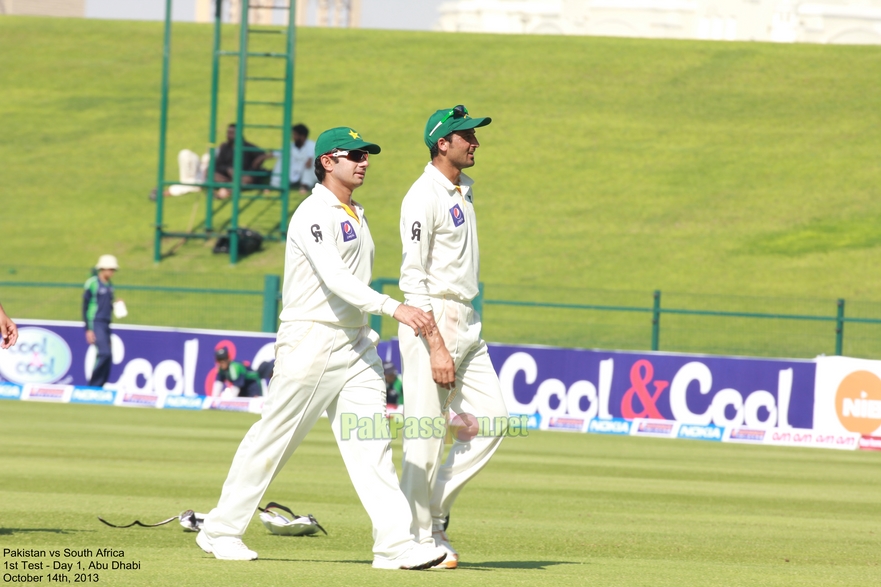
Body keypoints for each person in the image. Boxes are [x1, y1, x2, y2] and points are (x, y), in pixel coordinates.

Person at [195, 127, 447, 571]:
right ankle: (220, 530)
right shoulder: (313, 212)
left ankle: (395, 547)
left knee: (372, 446)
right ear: (327, 161)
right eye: (354, 155)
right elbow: (335, 278)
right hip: (312, 339)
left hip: (354, 344)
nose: (364, 161)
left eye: (367, 155)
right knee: (274, 438)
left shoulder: (353, 210)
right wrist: (395, 307)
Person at [397, 105, 510, 569]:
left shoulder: (462, 191)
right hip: (433, 319)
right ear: (442, 143)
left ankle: (433, 517)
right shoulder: (422, 196)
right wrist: (436, 342)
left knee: (494, 421)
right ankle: (414, 539)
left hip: (467, 318)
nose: (475, 142)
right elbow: (413, 277)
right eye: (466, 136)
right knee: (424, 436)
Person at [83, 255, 121, 387]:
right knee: (104, 353)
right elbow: (85, 307)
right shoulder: (92, 283)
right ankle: (93, 385)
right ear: (102, 269)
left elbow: (107, 305)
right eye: (109, 269)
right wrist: (88, 329)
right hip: (96, 321)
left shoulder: (110, 285)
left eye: (113, 269)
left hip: (106, 323)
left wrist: (116, 304)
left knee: (109, 355)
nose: (111, 272)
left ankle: (101, 385)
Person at [214, 123, 270, 199]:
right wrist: (228, 169)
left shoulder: (248, 147)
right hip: (227, 176)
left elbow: (261, 156)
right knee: (210, 172)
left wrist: (252, 169)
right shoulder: (224, 147)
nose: (229, 135)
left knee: (246, 179)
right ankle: (228, 186)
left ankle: (226, 190)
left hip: (244, 175)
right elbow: (218, 165)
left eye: (232, 133)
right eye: (228, 133)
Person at [269, 123, 316, 194]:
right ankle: (275, 184)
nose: (293, 137)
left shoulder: (312, 145)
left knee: (312, 162)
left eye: (295, 135)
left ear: (302, 136)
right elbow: (276, 153)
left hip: (305, 172)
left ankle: (305, 185)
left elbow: (311, 155)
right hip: (291, 172)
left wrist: (309, 160)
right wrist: (260, 158)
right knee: (282, 160)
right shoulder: (290, 146)